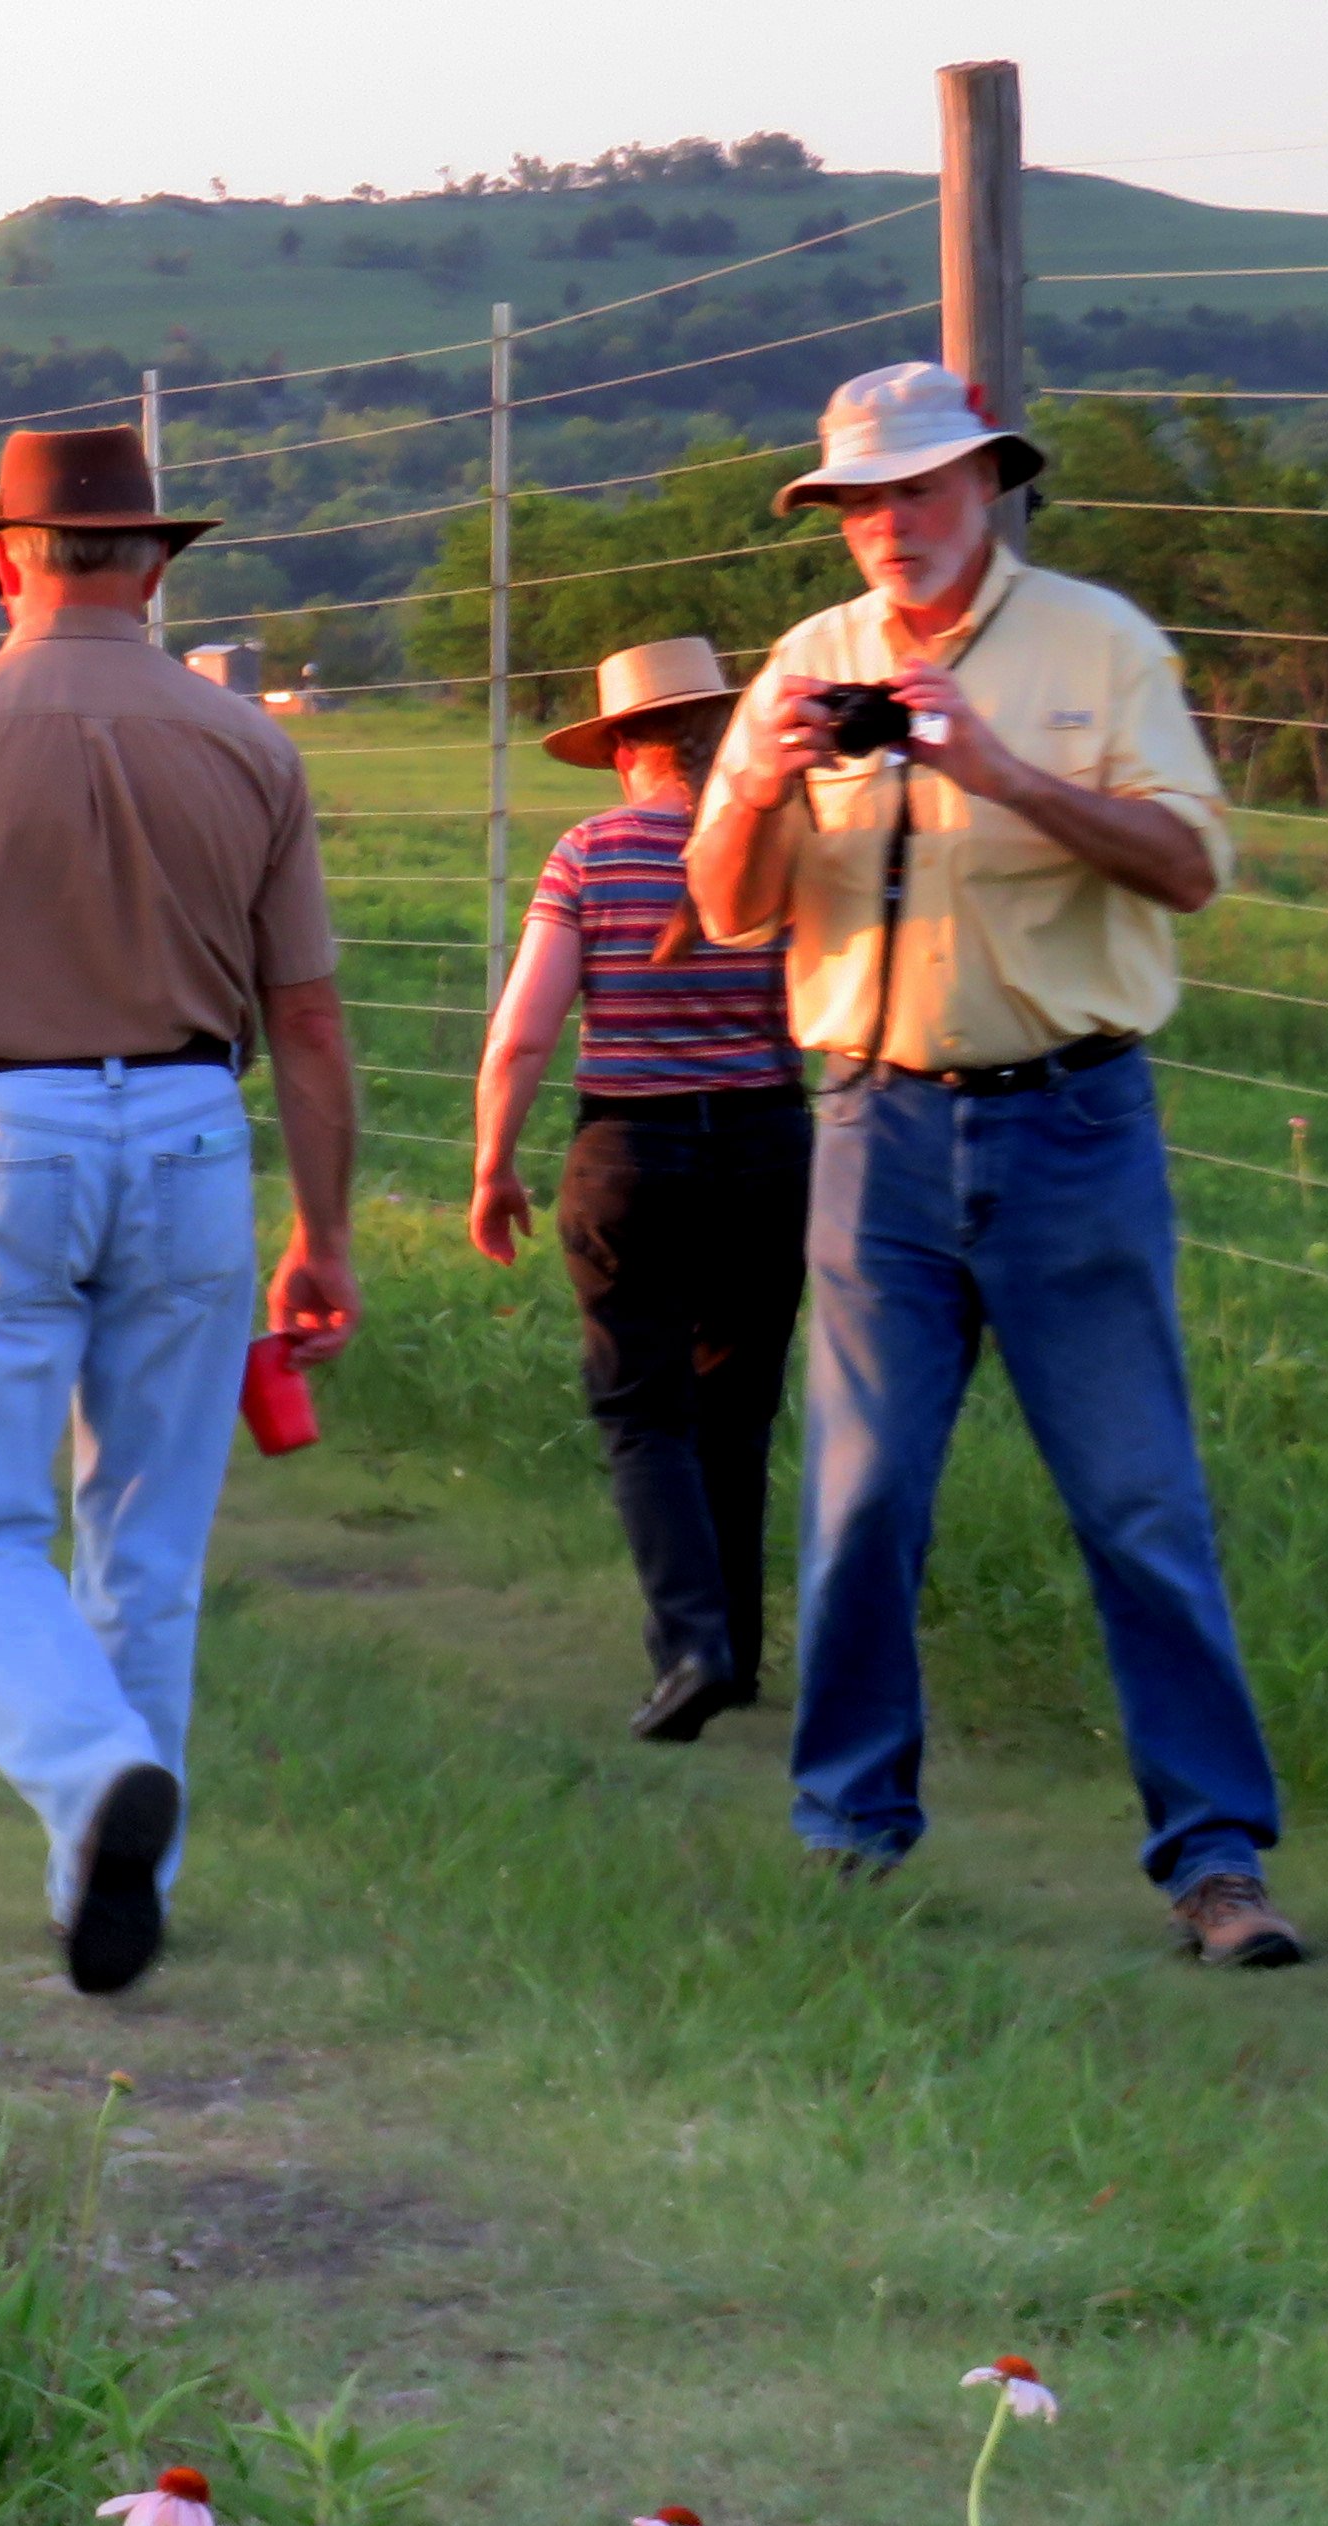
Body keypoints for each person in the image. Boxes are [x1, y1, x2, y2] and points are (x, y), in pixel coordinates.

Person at [684, 360, 1300, 1967]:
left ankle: (1217, 1862)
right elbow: (732, 906)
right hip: (871, 1122)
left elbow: (1190, 868)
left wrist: (999, 770)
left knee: (1138, 1500)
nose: (891, 525)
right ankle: (848, 1833)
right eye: (860, 501)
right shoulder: (802, 664)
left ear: (988, 488)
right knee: (862, 1498)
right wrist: (752, 781)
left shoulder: (1099, 642)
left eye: (921, 490)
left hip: (1072, 1121)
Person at [0, 426, 355, 1995]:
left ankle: (89, 1781)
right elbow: (306, 1023)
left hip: (0, 1125)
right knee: (148, 1544)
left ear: (5, 558)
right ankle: (117, 1886)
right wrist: (325, 1234)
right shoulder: (250, 744)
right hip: (189, 1126)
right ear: (159, 563)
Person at [469, 633, 805, 1743]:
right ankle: (739, 1656)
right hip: (769, 1146)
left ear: (624, 747)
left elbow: (524, 1035)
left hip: (633, 1154)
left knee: (641, 1409)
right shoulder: (787, 847)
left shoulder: (591, 851)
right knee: (736, 1406)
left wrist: (494, 1165)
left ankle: (691, 1644)